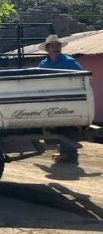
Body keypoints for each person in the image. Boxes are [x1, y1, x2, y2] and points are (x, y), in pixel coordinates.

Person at [39, 34, 84, 163]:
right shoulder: (43, 63)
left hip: (67, 99)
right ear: (47, 48)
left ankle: (70, 154)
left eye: (57, 45)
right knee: (55, 127)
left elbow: (81, 78)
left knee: (66, 125)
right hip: (50, 100)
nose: (56, 48)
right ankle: (65, 152)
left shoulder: (69, 62)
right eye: (52, 46)